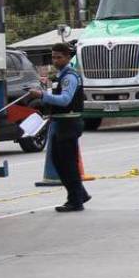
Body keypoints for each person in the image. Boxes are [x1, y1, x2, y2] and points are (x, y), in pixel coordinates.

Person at [28, 42, 90, 212]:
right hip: (59, 122)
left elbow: (65, 100)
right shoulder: (60, 75)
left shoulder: (70, 76)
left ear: (68, 57)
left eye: (59, 57)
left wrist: (42, 95)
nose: (55, 60)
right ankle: (80, 193)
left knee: (68, 163)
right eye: (53, 57)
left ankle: (75, 201)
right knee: (59, 161)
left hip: (69, 123)